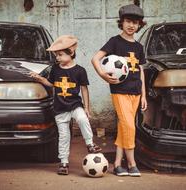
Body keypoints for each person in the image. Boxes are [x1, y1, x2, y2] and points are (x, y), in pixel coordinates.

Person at [30, 35, 102, 175]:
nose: (57, 58)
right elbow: (51, 84)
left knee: (82, 119)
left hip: (75, 104)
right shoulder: (55, 69)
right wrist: (40, 79)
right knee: (64, 136)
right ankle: (63, 163)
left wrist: (86, 107)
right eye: (56, 55)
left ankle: (90, 144)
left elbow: (84, 89)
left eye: (60, 55)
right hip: (60, 107)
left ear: (71, 52)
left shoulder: (80, 70)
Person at [91, 4, 147, 177]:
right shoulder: (115, 42)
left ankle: (117, 164)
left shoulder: (138, 47)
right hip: (120, 90)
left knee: (124, 127)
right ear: (121, 22)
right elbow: (95, 59)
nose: (131, 25)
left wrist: (144, 94)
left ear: (139, 25)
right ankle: (131, 163)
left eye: (135, 22)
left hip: (136, 91)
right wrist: (103, 75)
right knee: (129, 126)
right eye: (128, 21)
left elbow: (141, 70)